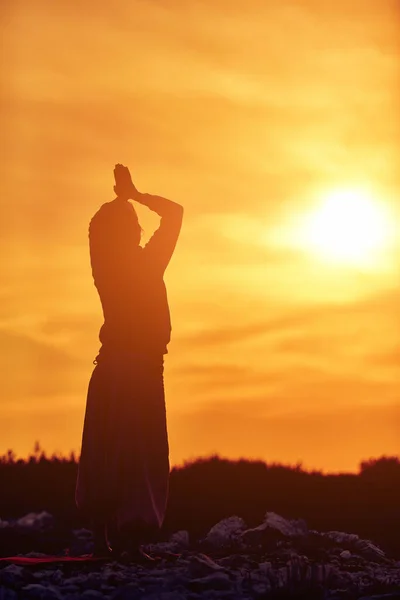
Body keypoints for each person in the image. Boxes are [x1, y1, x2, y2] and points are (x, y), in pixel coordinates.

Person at [75, 164, 183, 561]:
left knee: (105, 447)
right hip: (138, 371)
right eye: (135, 226)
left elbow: (98, 231)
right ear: (133, 234)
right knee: (140, 453)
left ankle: (102, 539)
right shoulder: (145, 264)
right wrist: (134, 194)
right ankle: (131, 543)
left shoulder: (103, 267)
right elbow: (175, 213)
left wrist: (123, 202)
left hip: (110, 368)